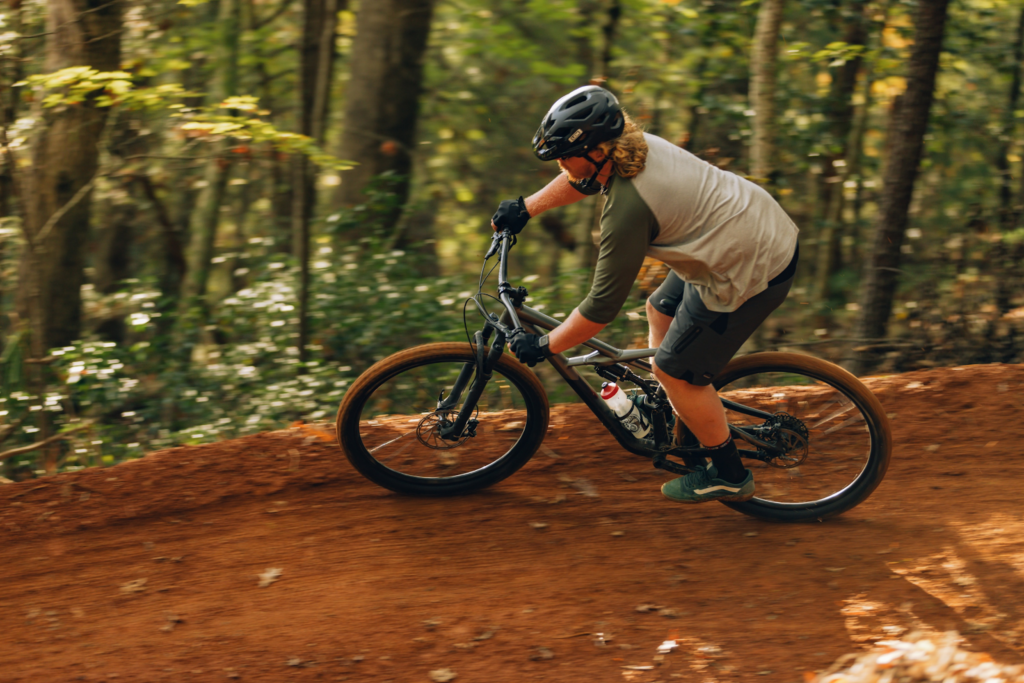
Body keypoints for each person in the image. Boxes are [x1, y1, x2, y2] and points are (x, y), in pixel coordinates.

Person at [491, 85, 799, 504]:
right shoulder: (629, 147)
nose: (561, 164)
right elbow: (580, 180)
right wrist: (527, 208)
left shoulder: (629, 209)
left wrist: (546, 344)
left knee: (675, 372)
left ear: (598, 148)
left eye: (565, 154)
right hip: (743, 230)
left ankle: (728, 472)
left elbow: (601, 308)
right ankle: (676, 408)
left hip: (750, 265)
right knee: (660, 309)